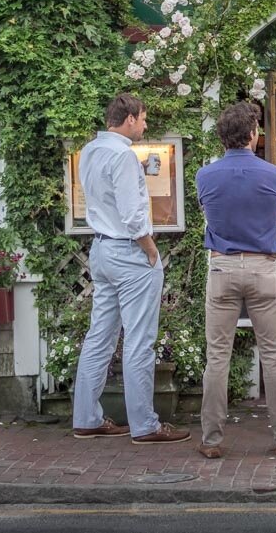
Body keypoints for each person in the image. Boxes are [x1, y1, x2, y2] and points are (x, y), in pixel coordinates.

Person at [71, 92, 190, 444]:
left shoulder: (92, 150)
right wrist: (150, 250)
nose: (146, 124)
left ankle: (86, 418)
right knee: (140, 340)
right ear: (130, 119)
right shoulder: (123, 155)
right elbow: (132, 212)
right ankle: (144, 425)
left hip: (101, 249)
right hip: (128, 251)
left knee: (100, 337)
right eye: (144, 118)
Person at [195, 99, 276, 459]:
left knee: (217, 356)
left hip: (222, 266)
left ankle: (211, 439)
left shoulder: (205, 176)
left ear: (223, 137)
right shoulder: (271, 173)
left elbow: (211, 212)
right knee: (273, 355)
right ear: (252, 134)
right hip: (261, 267)